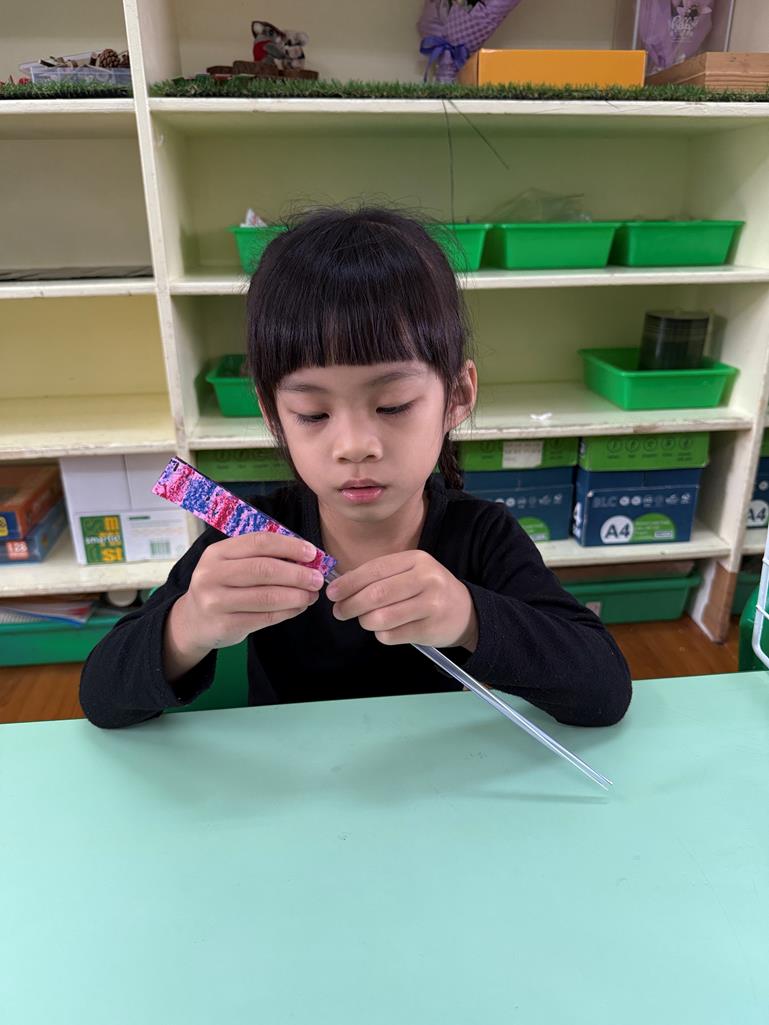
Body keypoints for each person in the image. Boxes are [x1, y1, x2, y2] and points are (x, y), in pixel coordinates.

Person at [80, 206, 632, 730]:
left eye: (393, 406)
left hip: (443, 773)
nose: (354, 446)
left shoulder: (482, 536)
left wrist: (470, 617)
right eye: (313, 413)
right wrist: (188, 626)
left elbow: (604, 691)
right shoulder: (251, 537)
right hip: (294, 778)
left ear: (458, 395)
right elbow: (102, 698)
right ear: (273, 413)